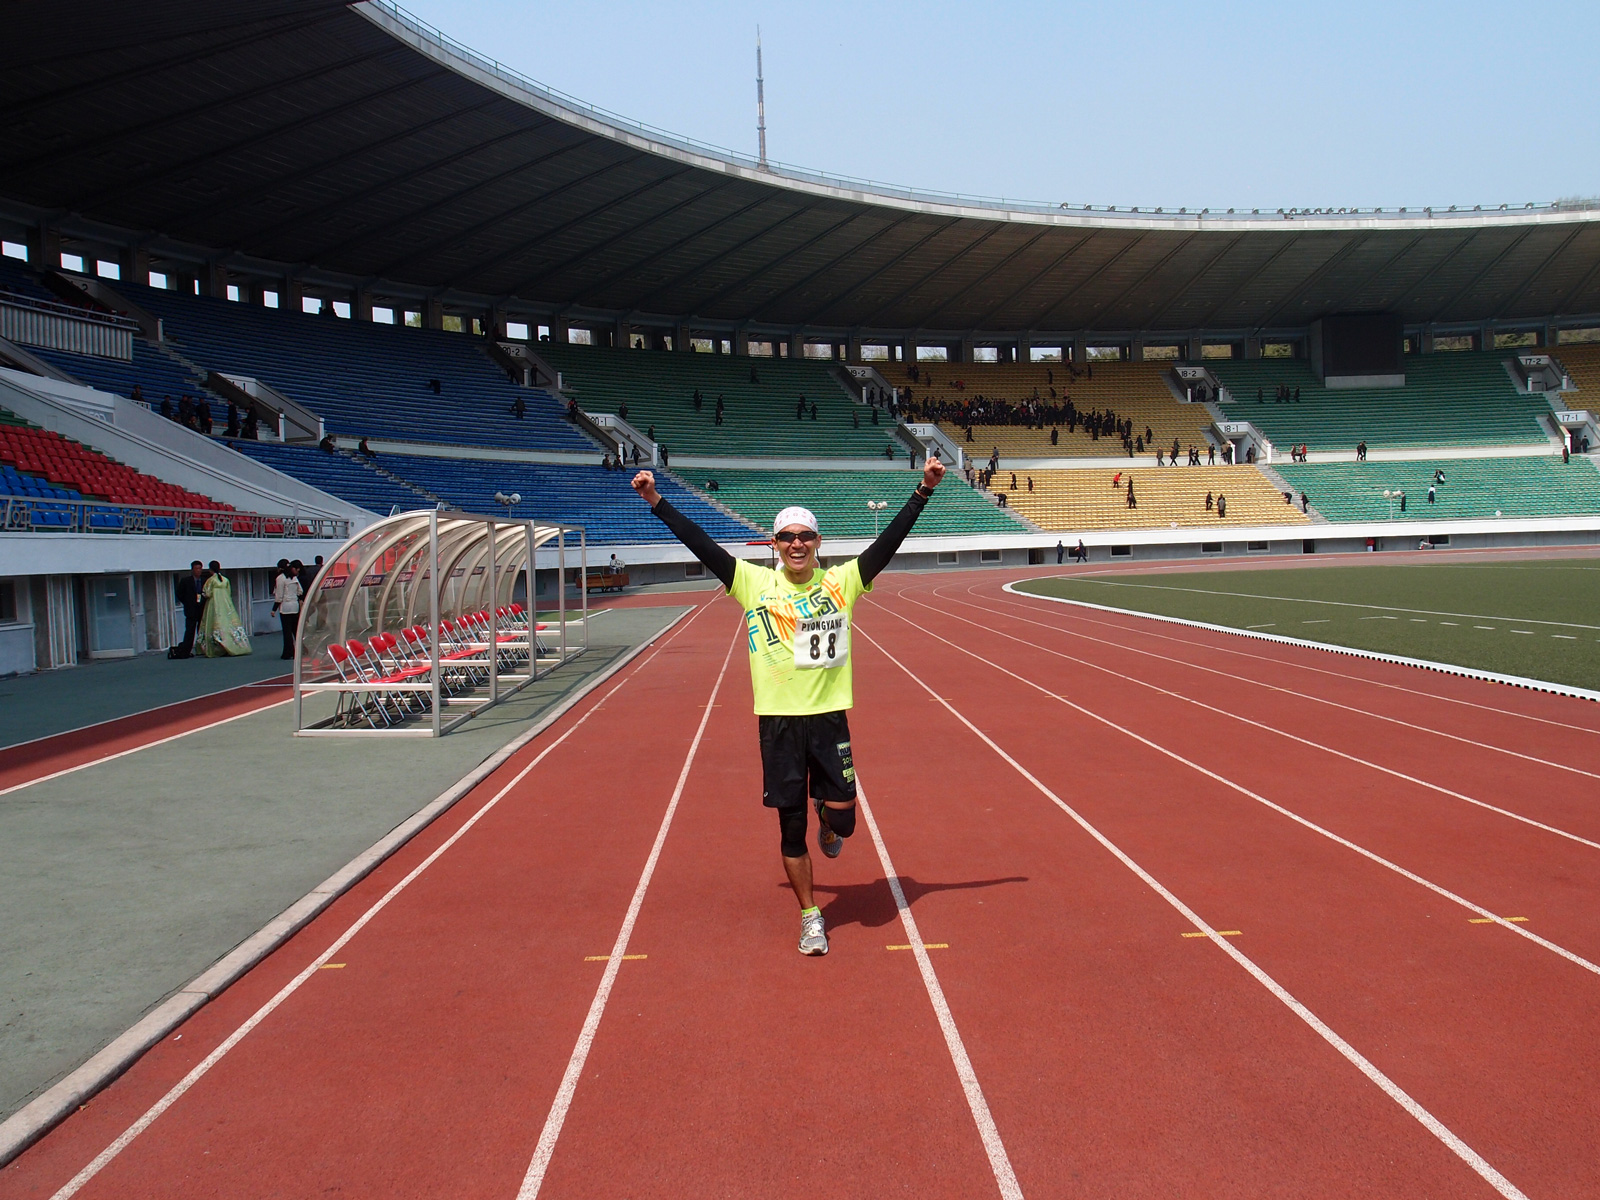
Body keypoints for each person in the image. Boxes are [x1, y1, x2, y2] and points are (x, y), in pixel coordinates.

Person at [630, 454, 947, 956]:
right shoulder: (752, 583)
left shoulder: (841, 582)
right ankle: (810, 915)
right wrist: (655, 500)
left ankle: (827, 812)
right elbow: (701, 544)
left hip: (828, 720)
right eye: (786, 537)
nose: (796, 544)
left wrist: (923, 490)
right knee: (790, 827)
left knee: (844, 822)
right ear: (774, 545)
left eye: (805, 536)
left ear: (818, 542)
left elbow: (888, 543)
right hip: (778, 724)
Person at [195, 563, 252, 657]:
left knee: (212, 623)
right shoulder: (225, 580)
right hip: (226, 604)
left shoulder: (211, 580)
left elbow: (207, 593)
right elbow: (229, 592)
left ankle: (215, 647)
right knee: (228, 622)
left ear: (210, 570)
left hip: (214, 604)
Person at [172, 561, 208, 658]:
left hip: (201, 608)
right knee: (190, 630)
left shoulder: (205, 581)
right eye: (196, 569)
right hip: (191, 609)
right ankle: (186, 650)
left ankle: (203, 649)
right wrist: (187, 602)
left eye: (200, 568)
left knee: (202, 630)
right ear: (192, 570)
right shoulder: (186, 581)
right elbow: (179, 593)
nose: (198, 571)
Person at [272, 561, 303, 660]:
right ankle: (300, 650)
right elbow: (300, 591)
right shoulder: (294, 578)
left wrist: (274, 609)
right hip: (295, 606)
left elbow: (279, 596)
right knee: (295, 630)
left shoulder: (280, 578)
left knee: (287, 632)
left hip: (285, 607)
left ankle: (288, 652)